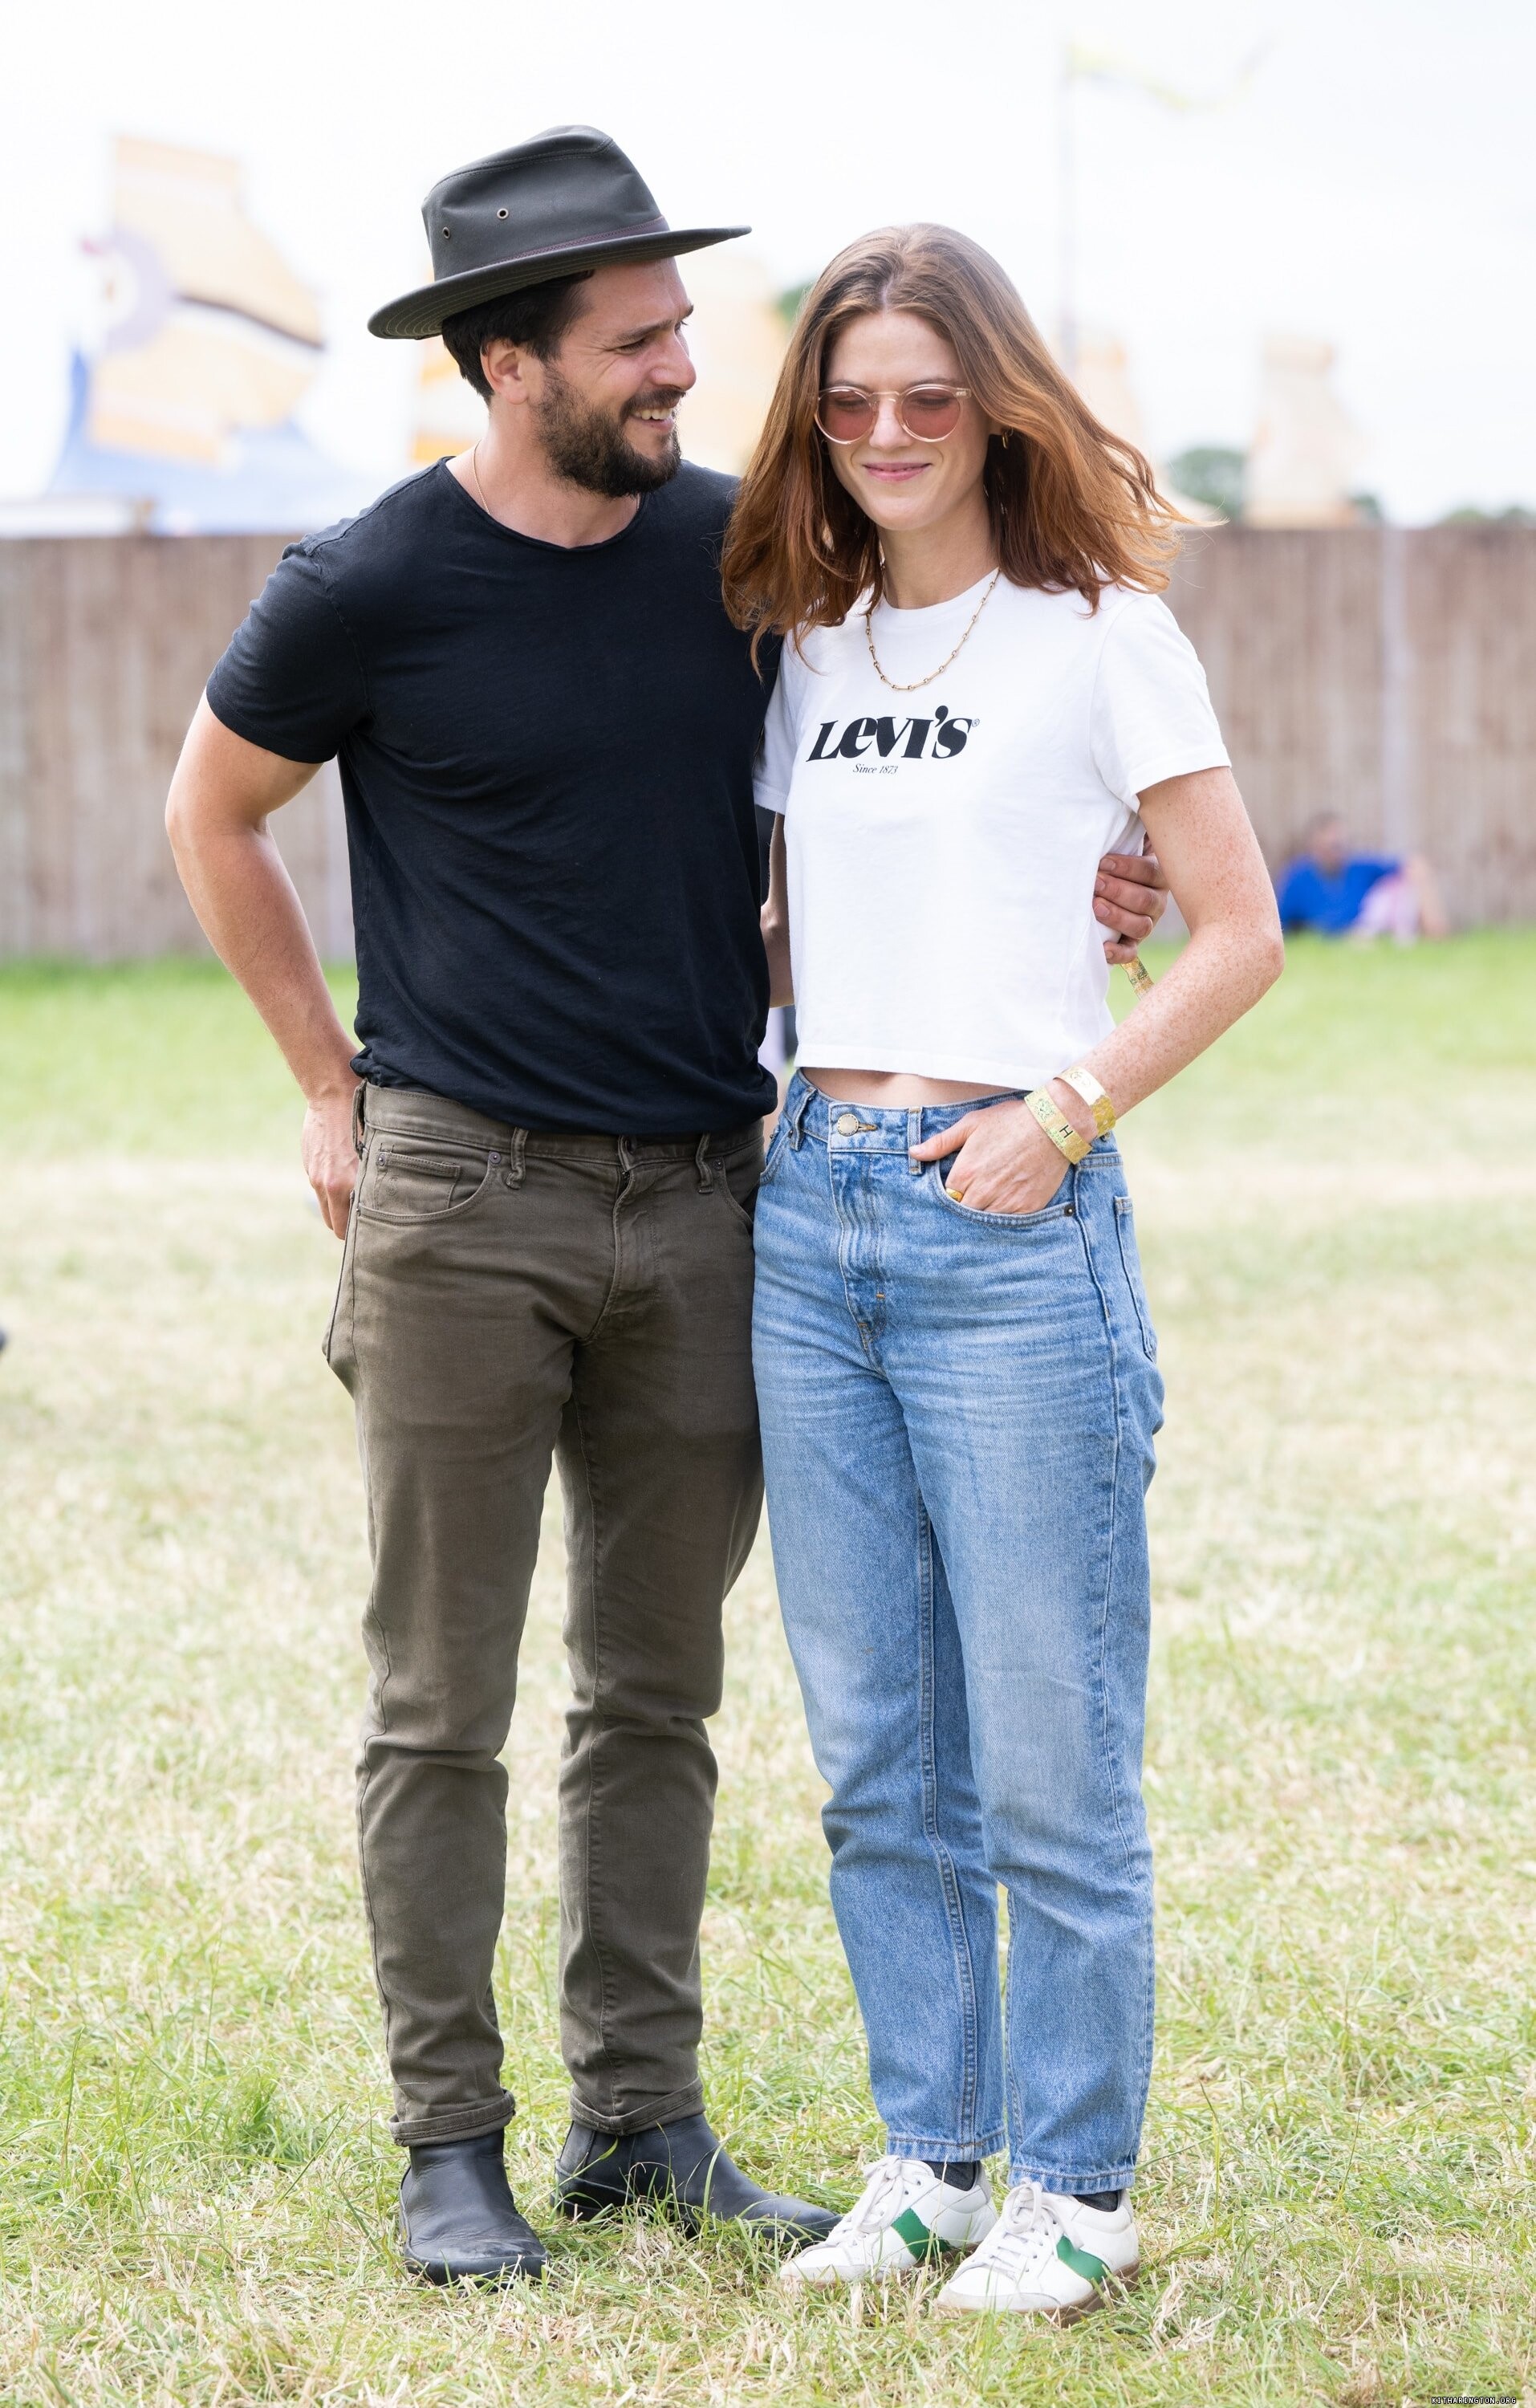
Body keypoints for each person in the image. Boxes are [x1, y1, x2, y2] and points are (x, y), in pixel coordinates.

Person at [165, 129, 1170, 2290]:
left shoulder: (739, 564)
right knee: (438, 1701)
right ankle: (452, 2144)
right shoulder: (364, 582)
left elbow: (880, 805)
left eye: (680, 327)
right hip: (462, 1196)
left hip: (724, 1193)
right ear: (505, 362)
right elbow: (211, 813)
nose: (682, 368)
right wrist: (326, 1083)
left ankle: (639, 2120)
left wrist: (1070, 878)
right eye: (634, 341)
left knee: (655, 1694)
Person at [721, 223, 1284, 2319]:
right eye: (850, 401)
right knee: (880, 1754)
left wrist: (1064, 1109)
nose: (888, 433)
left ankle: (1074, 2183)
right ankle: (932, 2162)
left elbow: (1237, 929)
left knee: (1049, 1755)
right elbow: (799, 935)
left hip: (1007, 1217)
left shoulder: (1101, 635)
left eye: (928, 399)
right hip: (813, 1216)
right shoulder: (809, 651)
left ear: (997, 410)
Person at [1277, 811, 1448, 940]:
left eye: (1339, 845)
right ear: (1314, 846)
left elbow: (1412, 865)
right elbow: (1282, 924)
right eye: (1330, 847)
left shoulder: (1358, 867)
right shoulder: (1297, 877)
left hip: (1366, 930)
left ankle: (1436, 938)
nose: (1335, 852)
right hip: (1336, 938)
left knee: (1408, 882)